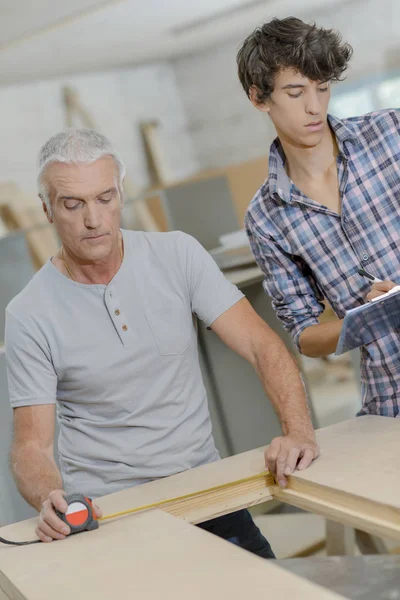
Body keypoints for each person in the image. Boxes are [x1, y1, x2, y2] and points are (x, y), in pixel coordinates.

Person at [5, 129, 318, 554]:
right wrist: (49, 497)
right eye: (73, 204)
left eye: (105, 198)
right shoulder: (29, 314)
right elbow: (31, 445)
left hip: (204, 488)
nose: (93, 220)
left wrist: (298, 431)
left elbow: (263, 347)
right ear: (47, 209)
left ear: (120, 194)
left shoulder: (177, 255)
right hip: (108, 513)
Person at [237, 17, 400, 417]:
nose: (315, 106)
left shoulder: (392, 133)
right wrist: (365, 317)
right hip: (390, 401)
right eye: (295, 92)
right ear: (259, 98)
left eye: (323, 88)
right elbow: (305, 337)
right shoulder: (267, 217)